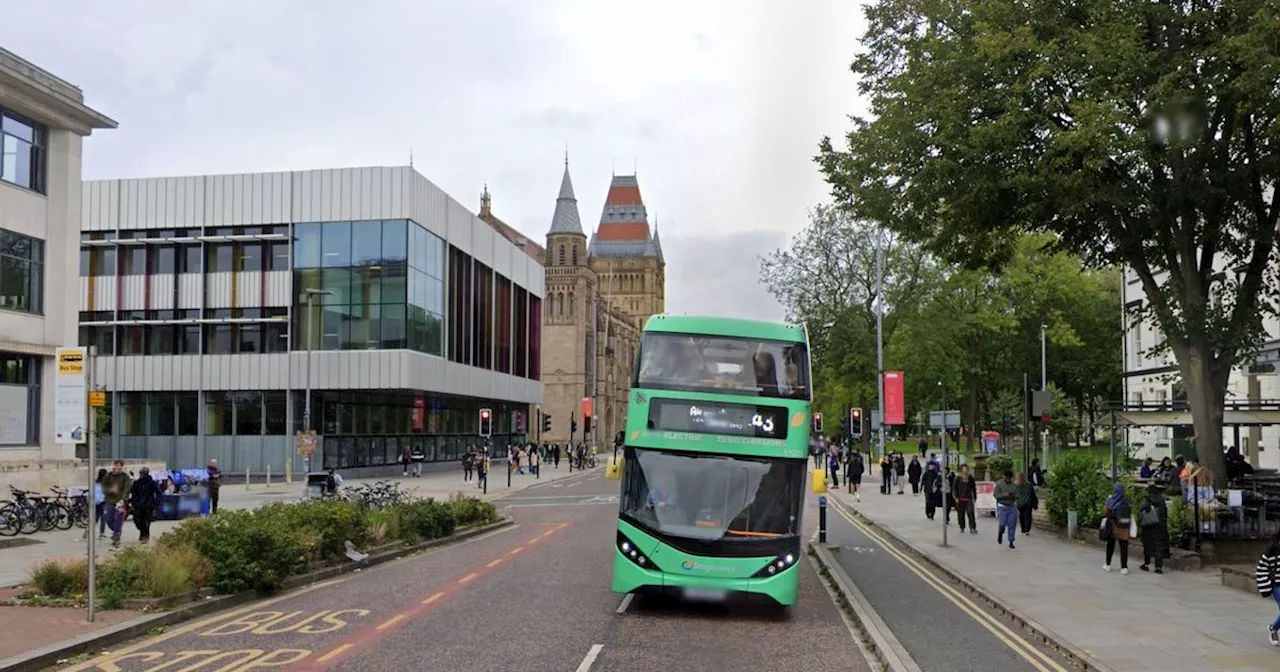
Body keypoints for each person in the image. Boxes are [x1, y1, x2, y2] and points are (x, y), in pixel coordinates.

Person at [1254, 530, 1280, 646]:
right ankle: (1273, 628)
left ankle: (1273, 627)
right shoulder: (1272, 549)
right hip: (1277, 585)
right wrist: (1266, 587)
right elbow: (1261, 569)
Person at [1138, 482, 1169, 574]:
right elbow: (1165, 513)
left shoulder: (1147, 500)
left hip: (1148, 527)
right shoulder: (1162, 500)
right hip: (1160, 527)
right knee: (1159, 547)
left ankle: (1146, 564)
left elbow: (1141, 512)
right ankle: (1158, 567)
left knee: (1148, 546)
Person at [1103, 483, 1132, 574]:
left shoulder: (1111, 500)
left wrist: (1108, 500)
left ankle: (1108, 564)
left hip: (1113, 526)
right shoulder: (1126, 501)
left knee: (1110, 546)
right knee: (1123, 547)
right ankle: (1124, 567)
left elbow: (1106, 513)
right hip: (1124, 526)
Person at [129, 466, 162, 543]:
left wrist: (156, 503)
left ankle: (145, 536)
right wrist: (133, 501)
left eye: (143, 473)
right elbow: (133, 492)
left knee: (146, 521)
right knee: (137, 520)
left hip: (148, 505)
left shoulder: (152, 483)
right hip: (138, 505)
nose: (142, 475)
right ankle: (142, 532)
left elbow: (158, 493)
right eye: (141, 473)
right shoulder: (137, 483)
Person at [994, 470, 1018, 548]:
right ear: (1004, 477)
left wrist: (1014, 495)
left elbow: (1017, 495)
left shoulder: (1014, 485)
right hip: (1002, 506)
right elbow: (996, 495)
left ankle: (1011, 541)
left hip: (1012, 506)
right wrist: (1004, 495)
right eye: (1006, 478)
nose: (1008, 479)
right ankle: (1000, 533)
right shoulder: (999, 484)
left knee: (1012, 524)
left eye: (1009, 478)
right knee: (1002, 523)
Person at [953, 465, 977, 534]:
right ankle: (962, 526)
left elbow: (973, 487)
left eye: (966, 469)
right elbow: (954, 488)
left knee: (970, 512)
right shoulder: (957, 478)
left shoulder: (970, 477)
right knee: (961, 513)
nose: (965, 470)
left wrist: (974, 496)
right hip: (960, 498)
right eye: (963, 469)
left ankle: (972, 527)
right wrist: (956, 497)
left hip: (968, 497)